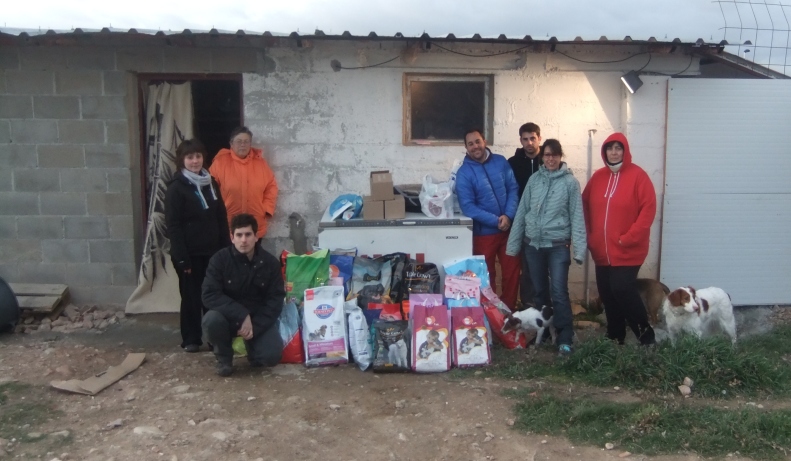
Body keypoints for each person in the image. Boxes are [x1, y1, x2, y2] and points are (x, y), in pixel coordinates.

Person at [506, 139, 586, 355]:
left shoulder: (570, 183)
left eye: (555, 155)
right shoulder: (534, 180)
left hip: (558, 245)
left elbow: (577, 216)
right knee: (539, 292)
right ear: (543, 157)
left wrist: (579, 250)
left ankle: (565, 336)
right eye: (547, 155)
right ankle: (546, 333)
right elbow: (523, 211)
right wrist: (513, 245)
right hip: (533, 245)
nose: (551, 159)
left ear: (561, 156)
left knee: (558, 292)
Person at [582, 133, 657, 346]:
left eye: (618, 148)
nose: (614, 152)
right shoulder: (598, 177)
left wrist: (630, 237)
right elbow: (583, 206)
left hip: (628, 249)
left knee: (622, 289)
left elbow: (648, 210)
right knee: (607, 293)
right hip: (601, 251)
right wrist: (590, 236)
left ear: (625, 151)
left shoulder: (638, 176)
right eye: (610, 148)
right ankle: (615, 337)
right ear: (604, 151)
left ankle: (646, 337)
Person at [165, 138, 230, 353]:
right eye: (190, 157)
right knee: (191, 297)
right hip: (189, 254)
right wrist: (182, 257)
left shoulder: (211, 183)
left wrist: (226, 249)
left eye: (198, 156)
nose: (195, 161)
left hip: (213, 251)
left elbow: (221, 217)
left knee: (212, 295)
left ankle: (214, 336)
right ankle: (191, 338)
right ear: (182, 160)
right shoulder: (176, 188)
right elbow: (173, 225)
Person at [202, 213, 284, 376]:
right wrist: (241, 315)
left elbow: (275, 300)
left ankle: (254, 352)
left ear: (256, 236)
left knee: (271, 356)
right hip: (227, 318)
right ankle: (224, 359)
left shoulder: (270, 263)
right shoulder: (219, 260)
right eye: (239, 235)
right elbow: (209, 294)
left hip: (257, 320)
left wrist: (255, 326)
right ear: (232, 237)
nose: (244, 240)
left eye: (248, 234)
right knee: (211, 320)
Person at [455, 129, 520, 311]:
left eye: (477, 141)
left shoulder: (501, 162)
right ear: (466, 147)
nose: (475, 146)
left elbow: (513, 189)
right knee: (486, 276)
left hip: (508, 230)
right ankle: (491, 315)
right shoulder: (464, 173)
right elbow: (468, 206)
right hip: (483, 234)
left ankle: (508, 312)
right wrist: (496, 221)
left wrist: (508, 216)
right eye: (470, 144)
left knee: (512, 273)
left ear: (484, 141)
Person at [209, 127, 278, 240]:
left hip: (255, 222)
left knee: (253, 251)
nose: (243, 145)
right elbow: (209, 189)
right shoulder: (220, 163)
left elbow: (271, 186)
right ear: (231, 144)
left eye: (246, 141)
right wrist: (215, 212)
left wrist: (266, 208)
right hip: (228, 223)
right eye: (239, 141)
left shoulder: (261, 163)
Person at [508, 123, 543, 308]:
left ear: (539, 138)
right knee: (527, 267)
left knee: (545, 268)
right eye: (525, 139)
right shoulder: (512, 163)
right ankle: (528, 305)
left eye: (533, 138)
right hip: (522, 223)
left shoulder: (548, 161)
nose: (529, 143)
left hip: (546, 224)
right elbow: (509, 192)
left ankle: (545, 306)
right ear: (520, 140)